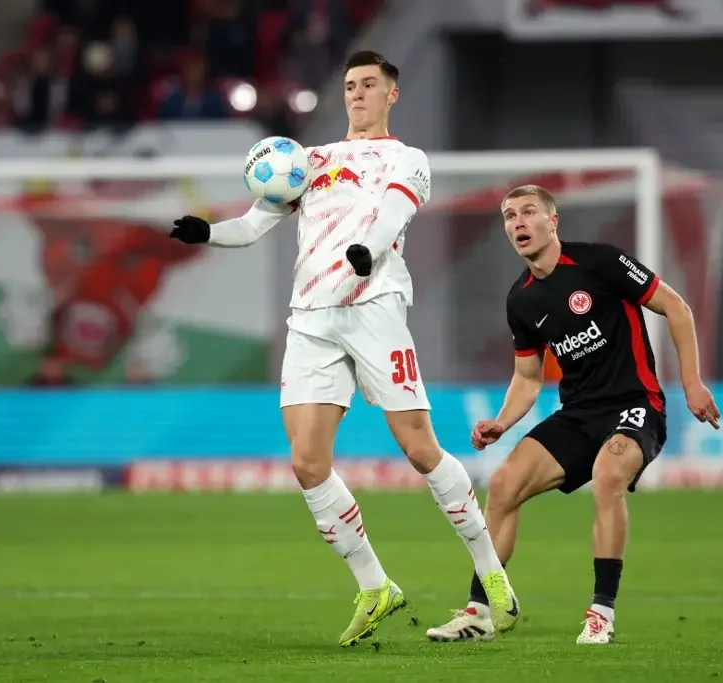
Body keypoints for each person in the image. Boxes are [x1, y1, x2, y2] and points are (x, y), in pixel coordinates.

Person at [167, 51, 518, 647]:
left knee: (419, 447)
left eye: (368, 85)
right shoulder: (309, 161)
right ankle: (375, 586)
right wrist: (210, 233)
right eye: (351, 85)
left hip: (374, 308)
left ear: (392, 94)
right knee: (307, 463)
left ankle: (491, 571)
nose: (356, 93)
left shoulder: (407, 159)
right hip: (311, 318)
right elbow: (254, 224)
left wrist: (367, 252)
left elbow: (393, 212)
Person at [426, 184, 720, 645]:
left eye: (528, 212)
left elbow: (676, 308)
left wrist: (692, 383)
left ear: (553, 220)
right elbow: (527, 378)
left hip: (636, 404)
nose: (518, 223)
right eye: (509, 216)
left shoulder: (599, 262)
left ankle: (601, 613)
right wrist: (502, 422)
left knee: (608, 476)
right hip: (579, 414)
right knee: (503, 486)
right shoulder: (521, 300)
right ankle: (480, 611)